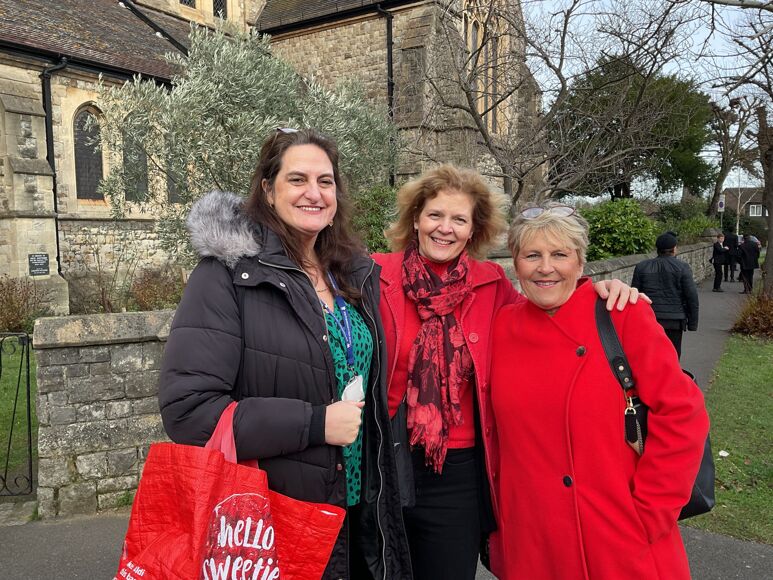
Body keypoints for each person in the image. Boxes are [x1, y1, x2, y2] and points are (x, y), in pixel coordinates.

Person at [157, 128, 411, 579]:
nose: (314, 193)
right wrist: (314, 422)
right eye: (297, 179)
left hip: (358, 509)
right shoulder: (226, 276)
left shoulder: (350, 274)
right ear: (268, 191)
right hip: (273, 518)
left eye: (325, 181)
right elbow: (188, 410)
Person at [372, 165, 644, 580]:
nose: (445, 228)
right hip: (384, 460)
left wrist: (595, 291)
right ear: (415, 220)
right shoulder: (374, 276)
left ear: (473, 230)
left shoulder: (492, 284)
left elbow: (546, 316)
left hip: (458, 471)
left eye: (459, 219)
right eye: (435, 215)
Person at [489, 204, 709, 579]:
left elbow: (682, 414)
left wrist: (648, 514)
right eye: (532, 255)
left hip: (614, 536)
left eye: (560, 254)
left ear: (580, 262)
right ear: (515, 262)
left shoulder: (620, 313)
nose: (545, 267)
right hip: (532, 539)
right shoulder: (500, 326)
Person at [631, 231, 699, 359]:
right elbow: (691, 296)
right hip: (674, 320)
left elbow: (635, 294)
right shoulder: (682, 267)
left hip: (650, 319)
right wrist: (692, 323)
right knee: (672, 355)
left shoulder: (641, 267)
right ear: (674, 249)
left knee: (650, 355)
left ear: (657, 249)